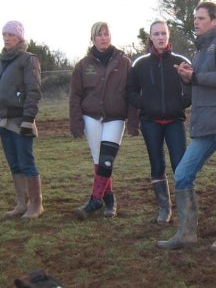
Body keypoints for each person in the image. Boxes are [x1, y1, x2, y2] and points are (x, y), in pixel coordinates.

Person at [157, 2, 216, 250]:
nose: (196, 21)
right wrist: (186, 77)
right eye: (195, 17)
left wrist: (194, 76)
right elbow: (201, 86)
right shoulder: (201, 50)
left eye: (201, 18)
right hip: (205, 123)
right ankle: (186, 233)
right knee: (183, 174)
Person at [127, 20, 191, 223]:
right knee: (157, 164)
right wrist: (145, 104)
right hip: (150, 122)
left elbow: (191, 87)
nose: (160, 37)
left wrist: (181, 103)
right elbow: (130, 91)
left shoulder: (181, 61)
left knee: (180, 166)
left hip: (175, 121)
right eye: (156, 34)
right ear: (151, 37)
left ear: (168, 36)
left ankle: (184, 209)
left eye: (164, 33)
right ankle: (165, 208)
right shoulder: (140, 64)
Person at [70, 21, 131, 219]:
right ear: (93, 38)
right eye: (99, 35)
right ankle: (110, 200)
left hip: (115, 117)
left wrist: (134, 120)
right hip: (91, 117)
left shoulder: (124, 62)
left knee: (106, 159)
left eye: (106, 34)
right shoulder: (83, 65)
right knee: (99, 160)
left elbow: (132, 92)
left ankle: (95, 199)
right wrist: (76, 122)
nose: (103, 38)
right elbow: (76, 95)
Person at [0, 20, 43, 219]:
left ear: (20, 37)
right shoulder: (3, 60)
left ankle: (36, 204)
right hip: (3, 120)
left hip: (21, 119)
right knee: (14, 164)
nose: (7, 38)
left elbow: (34, 90)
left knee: (26, 162)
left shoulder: (28, 60)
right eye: (4, 34)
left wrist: (29, 118)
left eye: (11, 34)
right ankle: (21, 203)